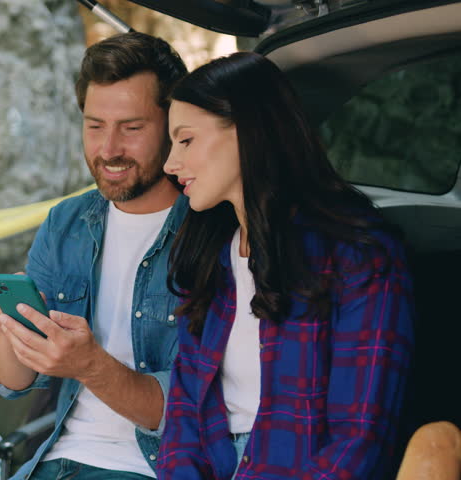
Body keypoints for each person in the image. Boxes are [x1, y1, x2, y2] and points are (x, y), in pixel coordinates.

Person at [156, 51, 414, 479]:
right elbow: (184, 415)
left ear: (247, 132)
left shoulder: (360, 254)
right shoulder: (206, 255)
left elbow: (360, 440)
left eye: (185, 140)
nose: (169, 164)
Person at [0, 32, 189, 479]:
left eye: (131, 128)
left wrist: (90, 366)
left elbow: (191, 410)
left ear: (174, 125)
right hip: (53, 461)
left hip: (152, 468)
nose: (109, 149)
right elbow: (14, 382)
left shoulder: (210, 229)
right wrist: (6, 328)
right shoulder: (67, 222)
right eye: (95, 126)